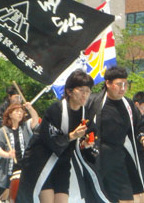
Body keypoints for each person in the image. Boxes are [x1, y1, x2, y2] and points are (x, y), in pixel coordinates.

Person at [16, 69, 108, 203]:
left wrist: (86, 144)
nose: (85, 95)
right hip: (42, 161)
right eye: (81, 90)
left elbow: (90, 135)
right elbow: (50, 139)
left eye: (88, 91)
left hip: (63, 162)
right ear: (69, 91)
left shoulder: (85, 113)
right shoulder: (56, 109)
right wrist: (72, 136)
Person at [85, 66, 144, 203]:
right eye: (119, 84)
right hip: (103, 155)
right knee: (123, 198)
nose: (123, 88)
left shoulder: (128, 104)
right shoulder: (94, 103)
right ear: (108, 83)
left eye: (125, 84)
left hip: (127, 152)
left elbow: (140, 125)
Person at [0, 100, 39, 202]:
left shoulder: (25, 127)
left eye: (21, 111)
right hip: (5, 170)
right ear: (10, 114)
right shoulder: (3, 131)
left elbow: (35, 120)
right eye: (17, 111)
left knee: (22, 197)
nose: (20, 113)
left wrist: (30, 108)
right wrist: (7, 154)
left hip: (22, 170)